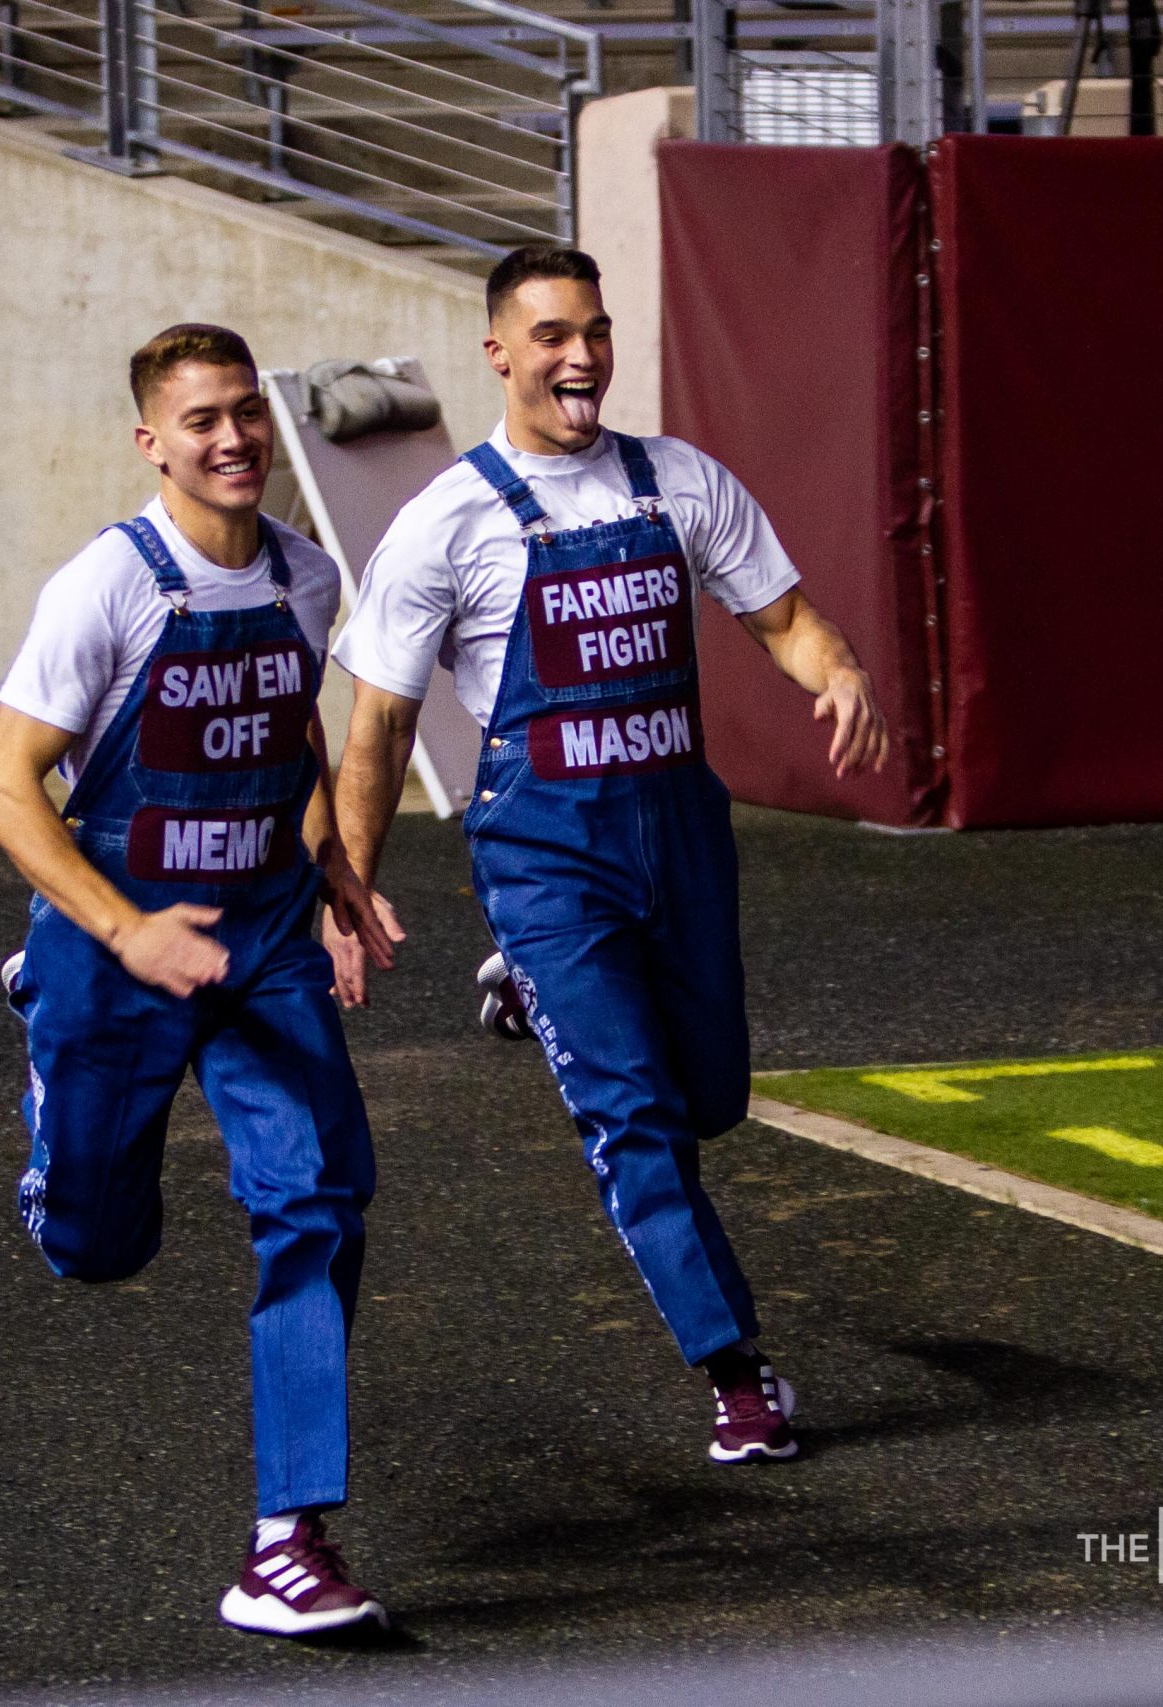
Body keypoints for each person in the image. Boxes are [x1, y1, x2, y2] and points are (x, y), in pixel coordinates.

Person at [326, 248, 889, 1465]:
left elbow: (783, 619)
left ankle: (533, 996)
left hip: (678, 830)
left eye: (594, 332)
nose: (578, 357)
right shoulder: (446, 523)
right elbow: (373, 726)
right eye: (550, 337)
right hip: (544, 853)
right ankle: (737, 1374)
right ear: (498, 354)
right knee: (633, 1121)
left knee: (709, 1101)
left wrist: (836, 672)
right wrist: (349, 880)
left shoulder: (677, 482)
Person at [0, 323, 405, 1637]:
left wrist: (334, 867)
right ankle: (51, 1043)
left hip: (265, 938)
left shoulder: (307, 576)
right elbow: (3, 786)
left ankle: (288, 1538)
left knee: (319, 1198)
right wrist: (122, 931)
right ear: (152, 441)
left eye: (246, 416)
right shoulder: (102, 588)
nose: (232, 440)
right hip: (120, 944)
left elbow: (295, 747)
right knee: (99, 1246)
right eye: (201, 420)